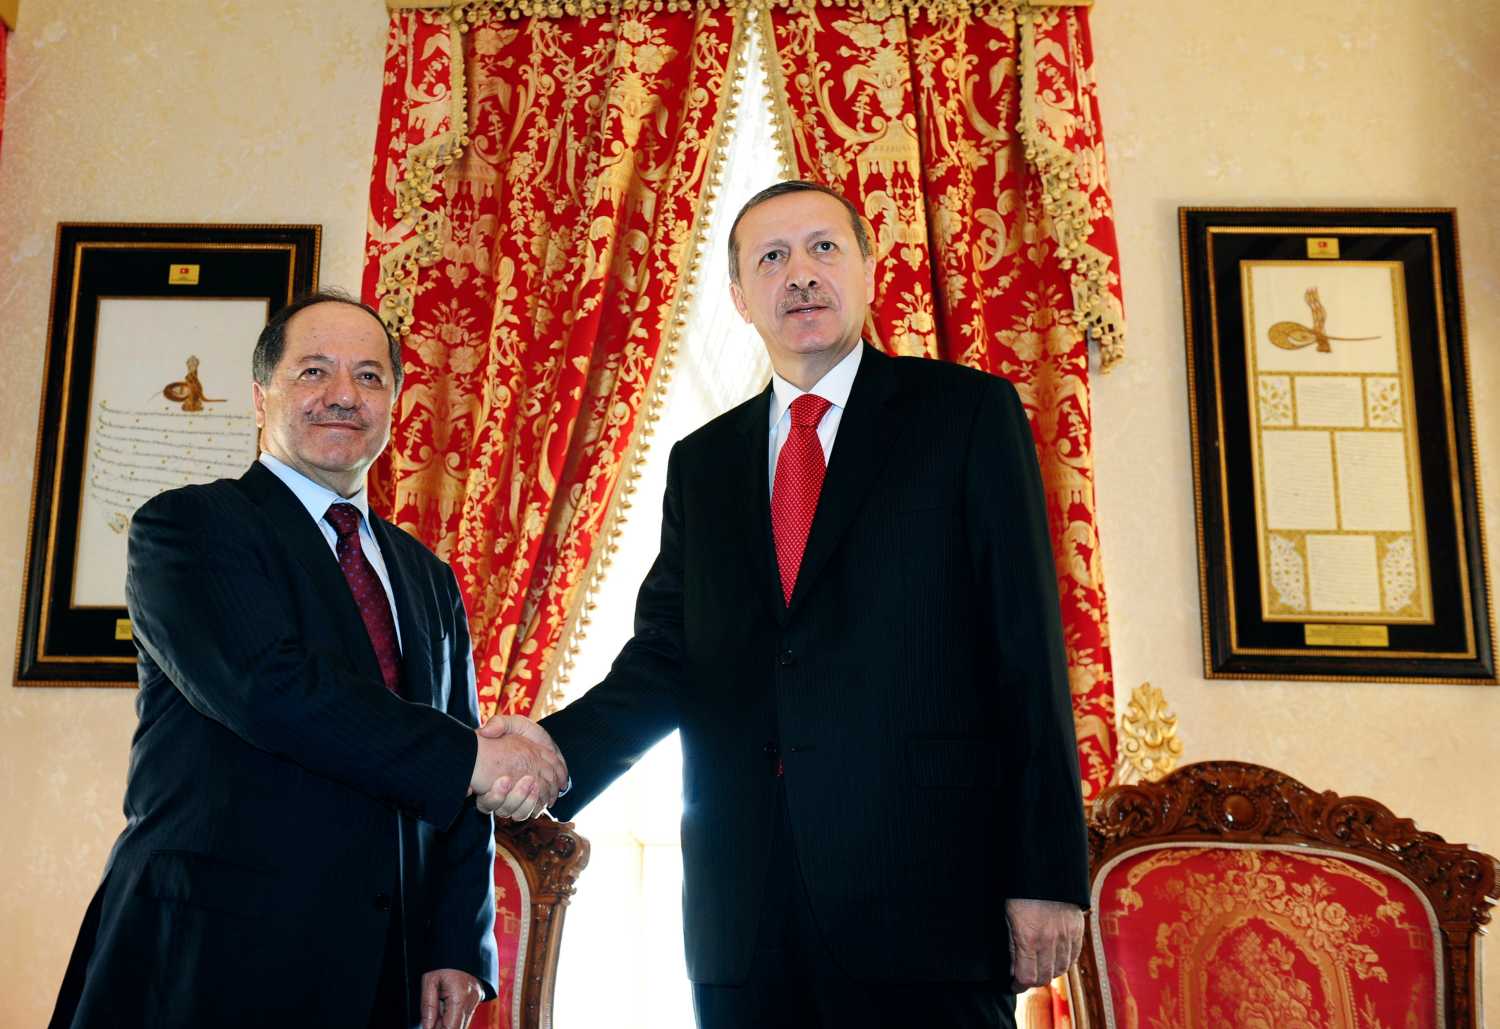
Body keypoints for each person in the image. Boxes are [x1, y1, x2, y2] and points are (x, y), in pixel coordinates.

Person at [489, 180, 1090, 1028]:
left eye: (822, 248)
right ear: (740, 297)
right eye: (771, 258)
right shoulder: (704, 463)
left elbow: (1026, 653)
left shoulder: (964, 415)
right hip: (745, 912)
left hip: (924, 907)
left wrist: (1046, 874)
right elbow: (666, 659)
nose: (799, 274)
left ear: (869, 270)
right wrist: (553, 746)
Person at [49, 291, 567, 1029]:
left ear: (394, 402)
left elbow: (457, 757)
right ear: (262, 396)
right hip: (206, 958)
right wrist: (474, 761)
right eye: (313, 372)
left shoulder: (428, 576)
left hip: (382, 968)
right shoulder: (190, 526)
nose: (342, 396)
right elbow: (271, 689)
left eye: (368, 376)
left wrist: (457, 939)